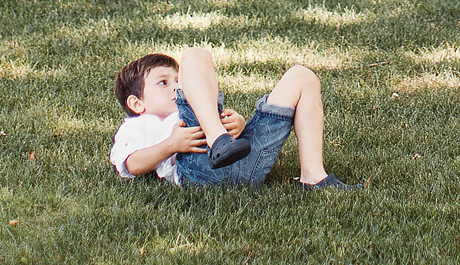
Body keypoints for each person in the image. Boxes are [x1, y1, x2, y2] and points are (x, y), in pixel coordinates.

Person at [110, 45, 354, 189]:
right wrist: (170, 146)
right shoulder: (137, 125)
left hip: (247, 162)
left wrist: (239, 125)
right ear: (136, 103)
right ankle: (219, 141)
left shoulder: (199, 105)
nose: (176, 87)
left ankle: (313, 176)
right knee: (195, 55)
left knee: (302, 76)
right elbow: (131, 164)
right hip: (198, 169)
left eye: (178, 80)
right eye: (163, 83)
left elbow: (236, 127)